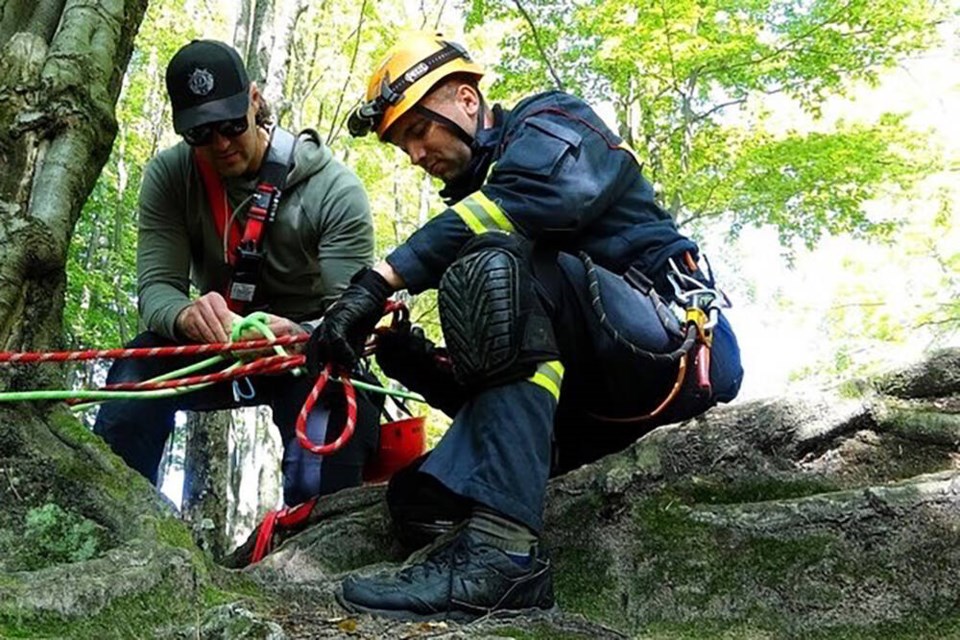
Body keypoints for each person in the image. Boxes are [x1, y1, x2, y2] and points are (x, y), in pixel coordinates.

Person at [306, 32, 743, 620]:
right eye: (402, 144)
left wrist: (382, 278)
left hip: (671, 354)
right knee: (417, 501)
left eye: (417, 130)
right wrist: (409, 357)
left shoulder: (555, 121)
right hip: (587, 407)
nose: (414, 154)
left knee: (494, 262)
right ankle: (487, 533)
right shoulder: (478, 218)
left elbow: (538, 201)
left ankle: (502, 559)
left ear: (465, 99)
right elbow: (510, 385)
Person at [94, 39, 381, 507]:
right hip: (215, 345)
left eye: (231, 125)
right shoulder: (170, 177)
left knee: (327, 448)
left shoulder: (333, 189)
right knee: (134, 376)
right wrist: (186, 315)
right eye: (201, 134)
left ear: (254, 100)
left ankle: (309, 559)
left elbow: (351, 316)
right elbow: (156, 290)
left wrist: (302, 333)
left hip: (305, 351)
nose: (222, 144)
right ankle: (119, 525)